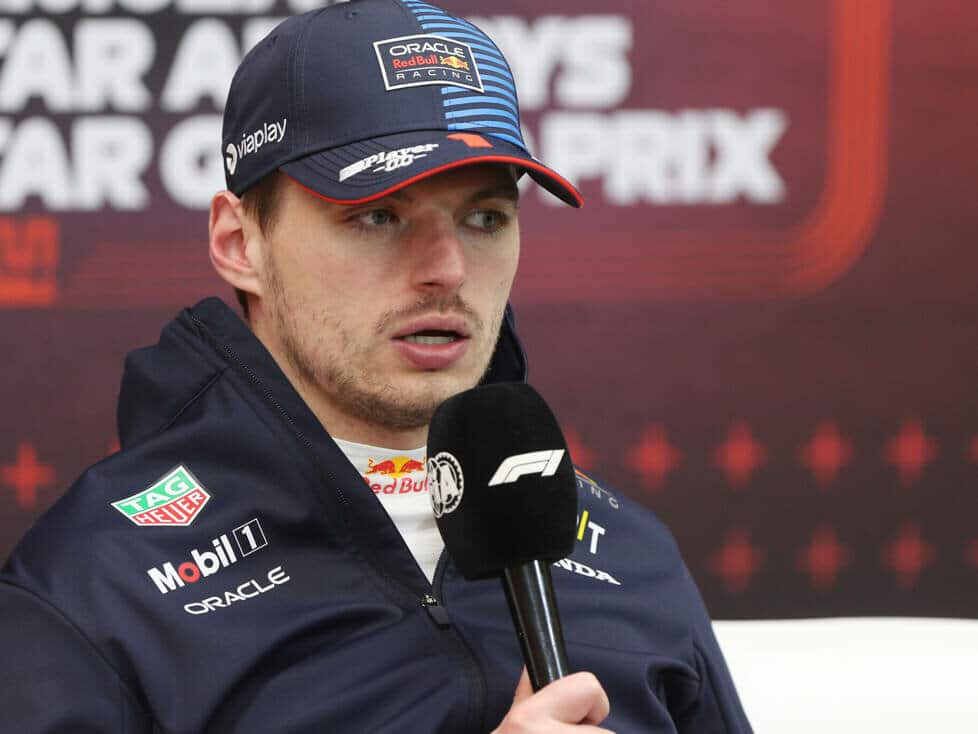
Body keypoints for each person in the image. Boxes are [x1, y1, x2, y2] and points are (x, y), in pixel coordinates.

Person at [0, 1, 752, 731]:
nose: (447, 269)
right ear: (239, 242)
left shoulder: (628, 551)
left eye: (485, 217)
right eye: (378, 215)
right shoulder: (98, 582)